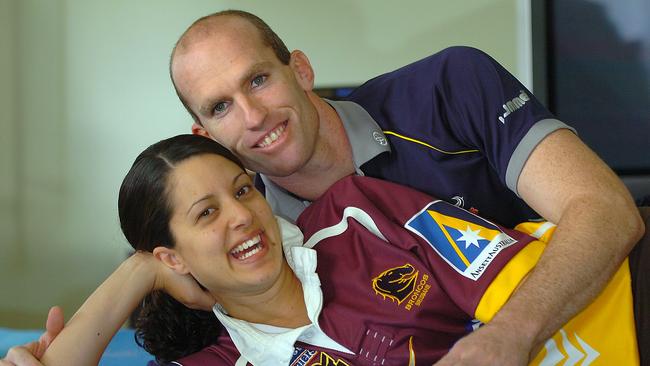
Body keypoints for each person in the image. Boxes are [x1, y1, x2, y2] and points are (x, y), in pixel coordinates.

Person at [2, 9, 645, 366]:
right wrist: (135, 277)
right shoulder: (249, 242)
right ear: (202, 132)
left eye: (258, 81)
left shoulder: (445, 91)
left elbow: (607, 211)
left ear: (300, 70)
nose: (253, 118)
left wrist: (509, 335)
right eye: (220, 108)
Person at [4, 135, 646, 366]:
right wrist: (137, 273)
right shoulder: (218, 363)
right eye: (207, 214)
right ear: (171, 255)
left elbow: (510, 309)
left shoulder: (353, 216)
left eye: (242, 190)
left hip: (618, 307)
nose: (242, 216)